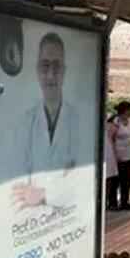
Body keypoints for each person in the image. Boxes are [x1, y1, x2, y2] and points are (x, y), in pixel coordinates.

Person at [11, 33, 89, 211]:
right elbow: (18, 187)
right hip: (31, 223)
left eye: (57, 66)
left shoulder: (80, 122)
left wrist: (43, 195)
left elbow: (81, 181)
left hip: (68, 220)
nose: (51, 74)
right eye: (45, 66)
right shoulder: (25, 123)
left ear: (64, 71)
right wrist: (61, 187)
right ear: (37, 70)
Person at [109, 101, 130, 210]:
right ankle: (112, 203)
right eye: (129, 110)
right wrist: (114, 154)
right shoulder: (115, 122)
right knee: (116, 180)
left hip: (128, 154)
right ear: (124, 111)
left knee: (127, 180)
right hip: (117, 154)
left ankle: (125, 201)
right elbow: (110, 138)